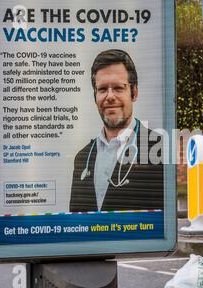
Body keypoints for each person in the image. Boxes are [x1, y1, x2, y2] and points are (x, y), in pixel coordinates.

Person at [69, 49, 164, 213]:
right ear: (95, 96)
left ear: (134, 92)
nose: (110, 96)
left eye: (119, 88)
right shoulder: (82, 158)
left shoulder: (160, 150)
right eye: (103, 89)